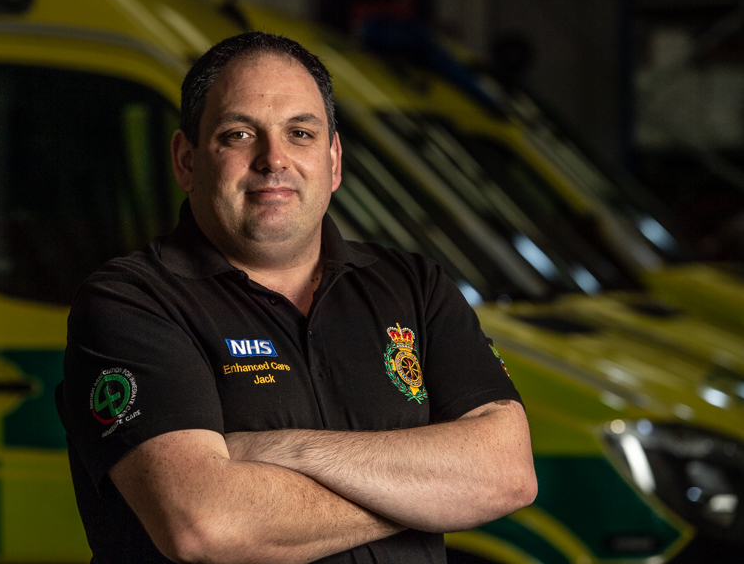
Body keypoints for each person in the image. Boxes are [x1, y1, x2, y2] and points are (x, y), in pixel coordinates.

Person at [57, 31, 537, 564]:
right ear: (186, 159)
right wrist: (433, 494)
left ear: (333, 160)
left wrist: (284, 450)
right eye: (239, 134)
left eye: (300, 133)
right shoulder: (131, 302)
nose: (273, 159)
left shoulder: (414, 286)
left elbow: (508, 474)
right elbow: (204, 523)